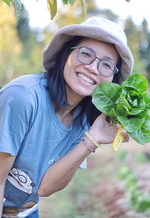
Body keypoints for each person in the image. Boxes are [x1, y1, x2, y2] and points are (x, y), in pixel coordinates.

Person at [0, 16, 134, 218]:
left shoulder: (84, 118)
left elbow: (44, 188)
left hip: (25, 211)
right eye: (86, 54)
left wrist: (93, 139)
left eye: (106, 65)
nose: (92, 67)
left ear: (112, 80)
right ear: (66, 54)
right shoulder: (23, 97)